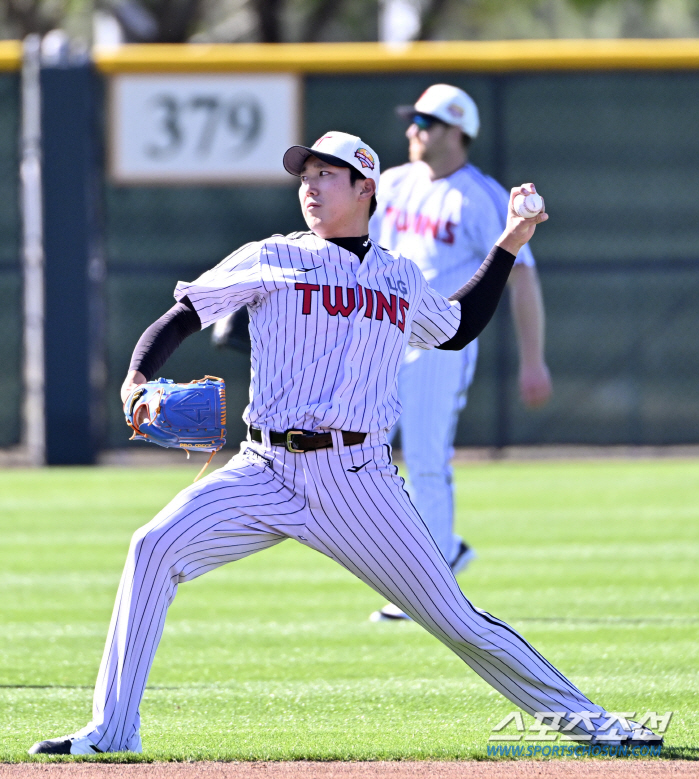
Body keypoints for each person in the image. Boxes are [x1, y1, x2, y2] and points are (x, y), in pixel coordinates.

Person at [30, 131, 655, 755]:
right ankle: (112, 731)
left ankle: (593, 722)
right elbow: (186, 313)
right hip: (264, 467)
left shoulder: (399, 276)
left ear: (366, 189)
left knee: (456, 620)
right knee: (152, 547)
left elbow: (458, 328)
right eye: (304, 177)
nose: (310, 187)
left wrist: (511, 242)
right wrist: (138, 372)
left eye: (326, 176)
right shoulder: (269, 255)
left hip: (359, 481)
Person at [368, 84, 552, 621]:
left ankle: (429, 583)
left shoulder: (483, 196)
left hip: (441, 342)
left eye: (424, 122)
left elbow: (522, 279)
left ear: (455, 130)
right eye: (414, 121)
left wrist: (534, 360)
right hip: (379, 341)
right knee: (368, 457)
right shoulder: (392, 184)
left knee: (425, 455)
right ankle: (439, 550)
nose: (412, 131)